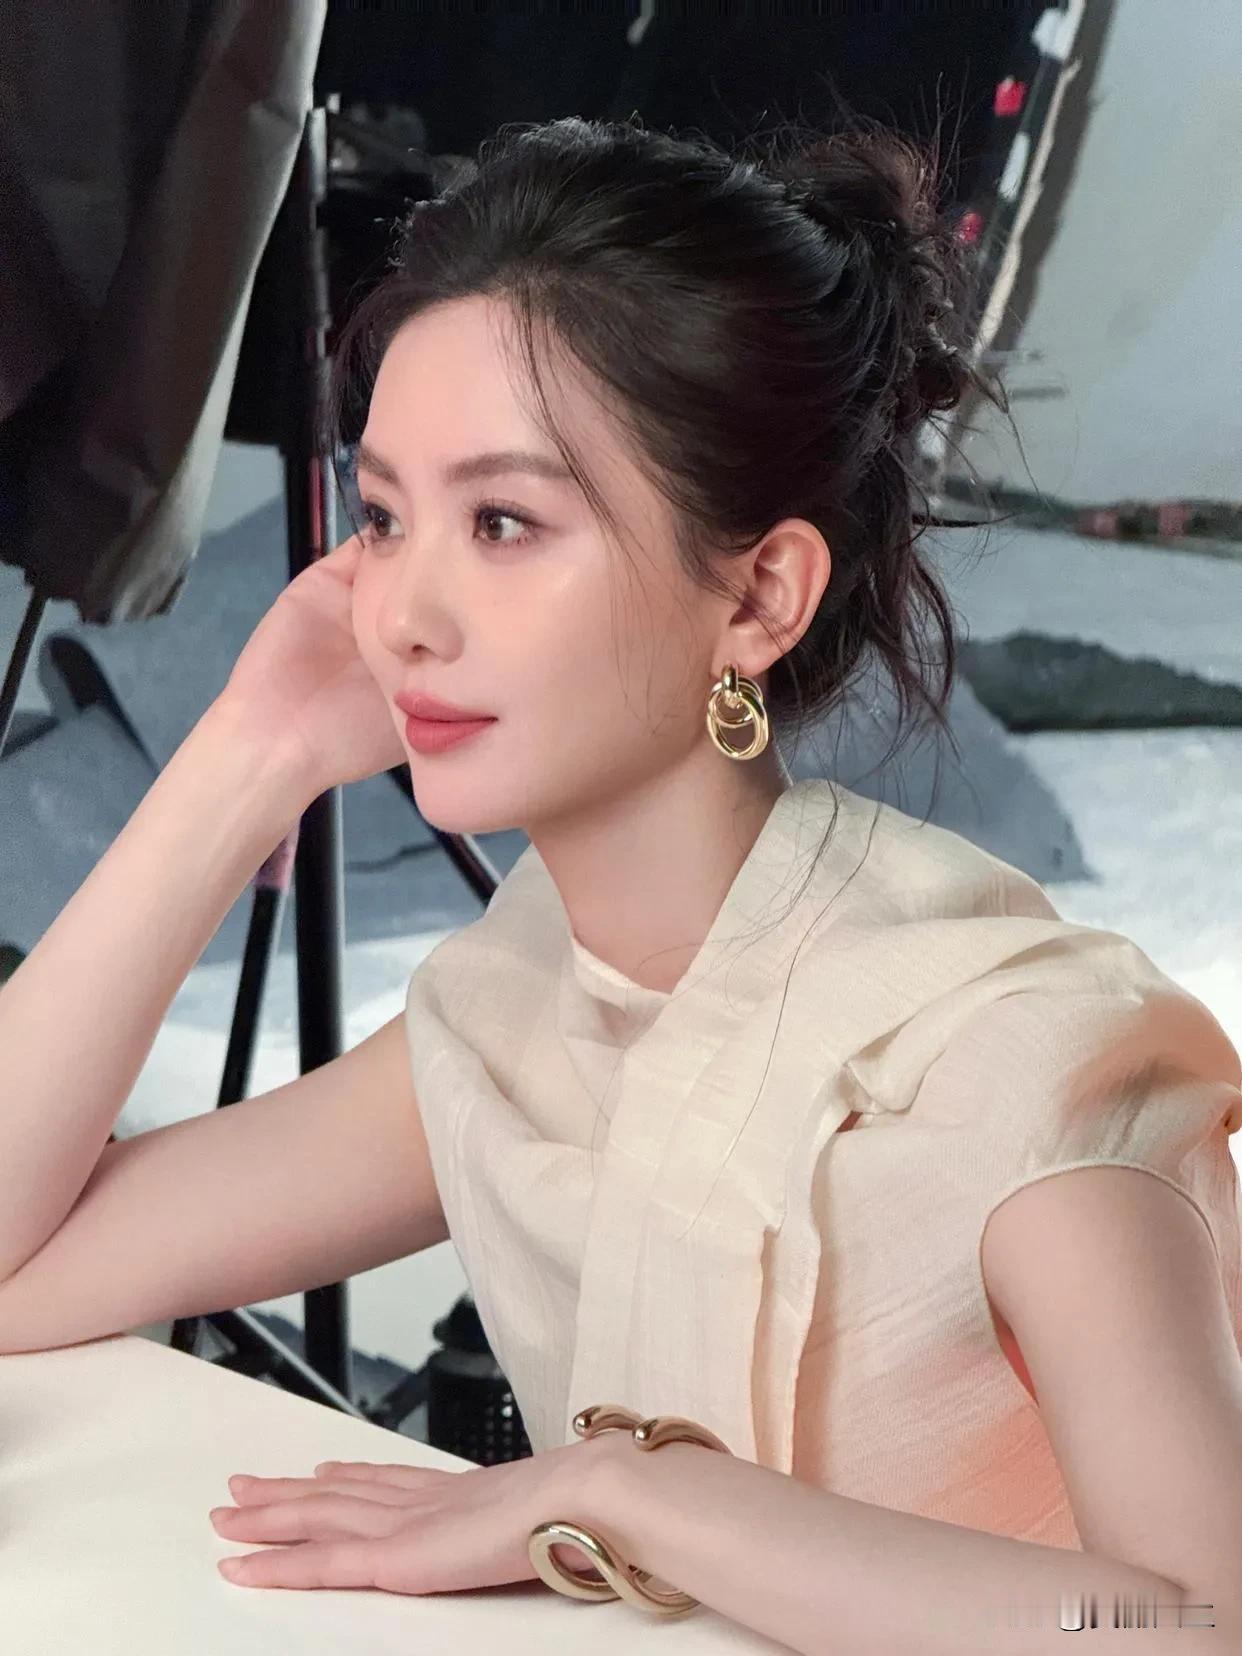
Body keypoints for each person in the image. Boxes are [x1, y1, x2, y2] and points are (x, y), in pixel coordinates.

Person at [1, 113, 1239, 1650]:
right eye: (384, 518)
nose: (403, 614)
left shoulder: (1013, 1066)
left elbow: (1189, 1625)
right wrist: (246, 754)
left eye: (503, 522)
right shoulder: (522, 1012)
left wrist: (625, 1495)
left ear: (758, 594)